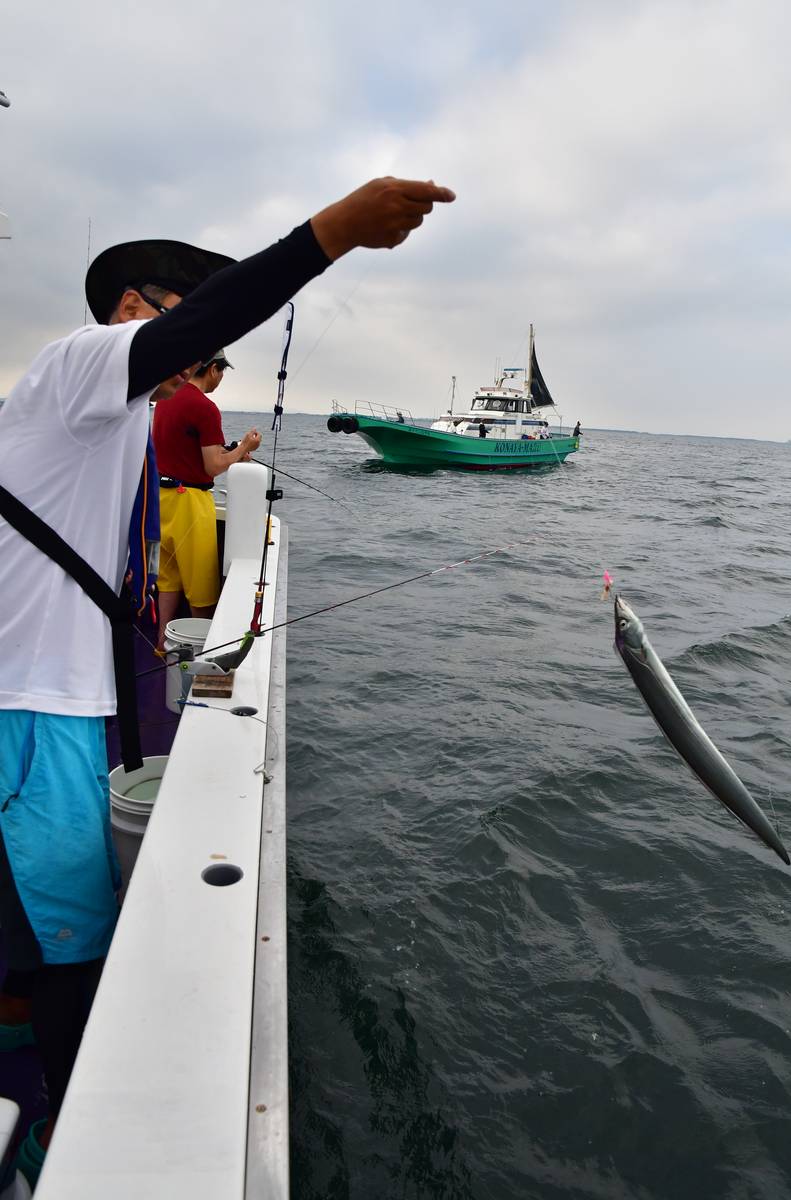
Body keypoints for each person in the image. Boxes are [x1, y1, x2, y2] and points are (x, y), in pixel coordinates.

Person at [0, 175, 455, 1179]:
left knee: (31, 920)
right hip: (35, 716)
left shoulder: (100, 417)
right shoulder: (84, 362)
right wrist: (329, 236)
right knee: (70, 944)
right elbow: (194, 328)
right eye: (191, 341)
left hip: (54, 701)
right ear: (133, 311)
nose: (201, 363)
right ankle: (70, 1137)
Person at [152, 349, 258, 651]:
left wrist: (231, 451)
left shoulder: (165, 399)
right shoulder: (205, 407)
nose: (221, 379)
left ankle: (161, 643)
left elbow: (187, 450)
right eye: (221, 372)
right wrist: (244, 448)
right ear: (212, 369)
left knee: (168, 579)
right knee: (201, 590)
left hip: (161, 498)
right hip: (191, 503)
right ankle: (205, 653)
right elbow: (213, 466)